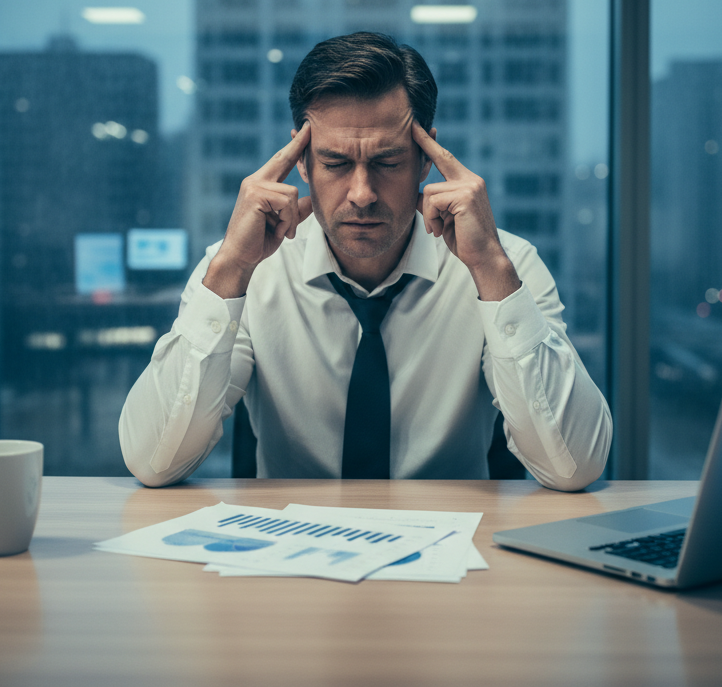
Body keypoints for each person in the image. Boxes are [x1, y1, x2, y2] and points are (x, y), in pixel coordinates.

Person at [119, 32, 611, 490]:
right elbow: (153, 462)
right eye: (335, 164)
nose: (361, 194)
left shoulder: (506, 264)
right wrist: (229, 271)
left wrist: (491, 273)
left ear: (425, 159)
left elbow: (573, 467)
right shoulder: (244, 269)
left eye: (387, 163)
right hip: (291, 556)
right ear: (302, 162)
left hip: (454, 558)